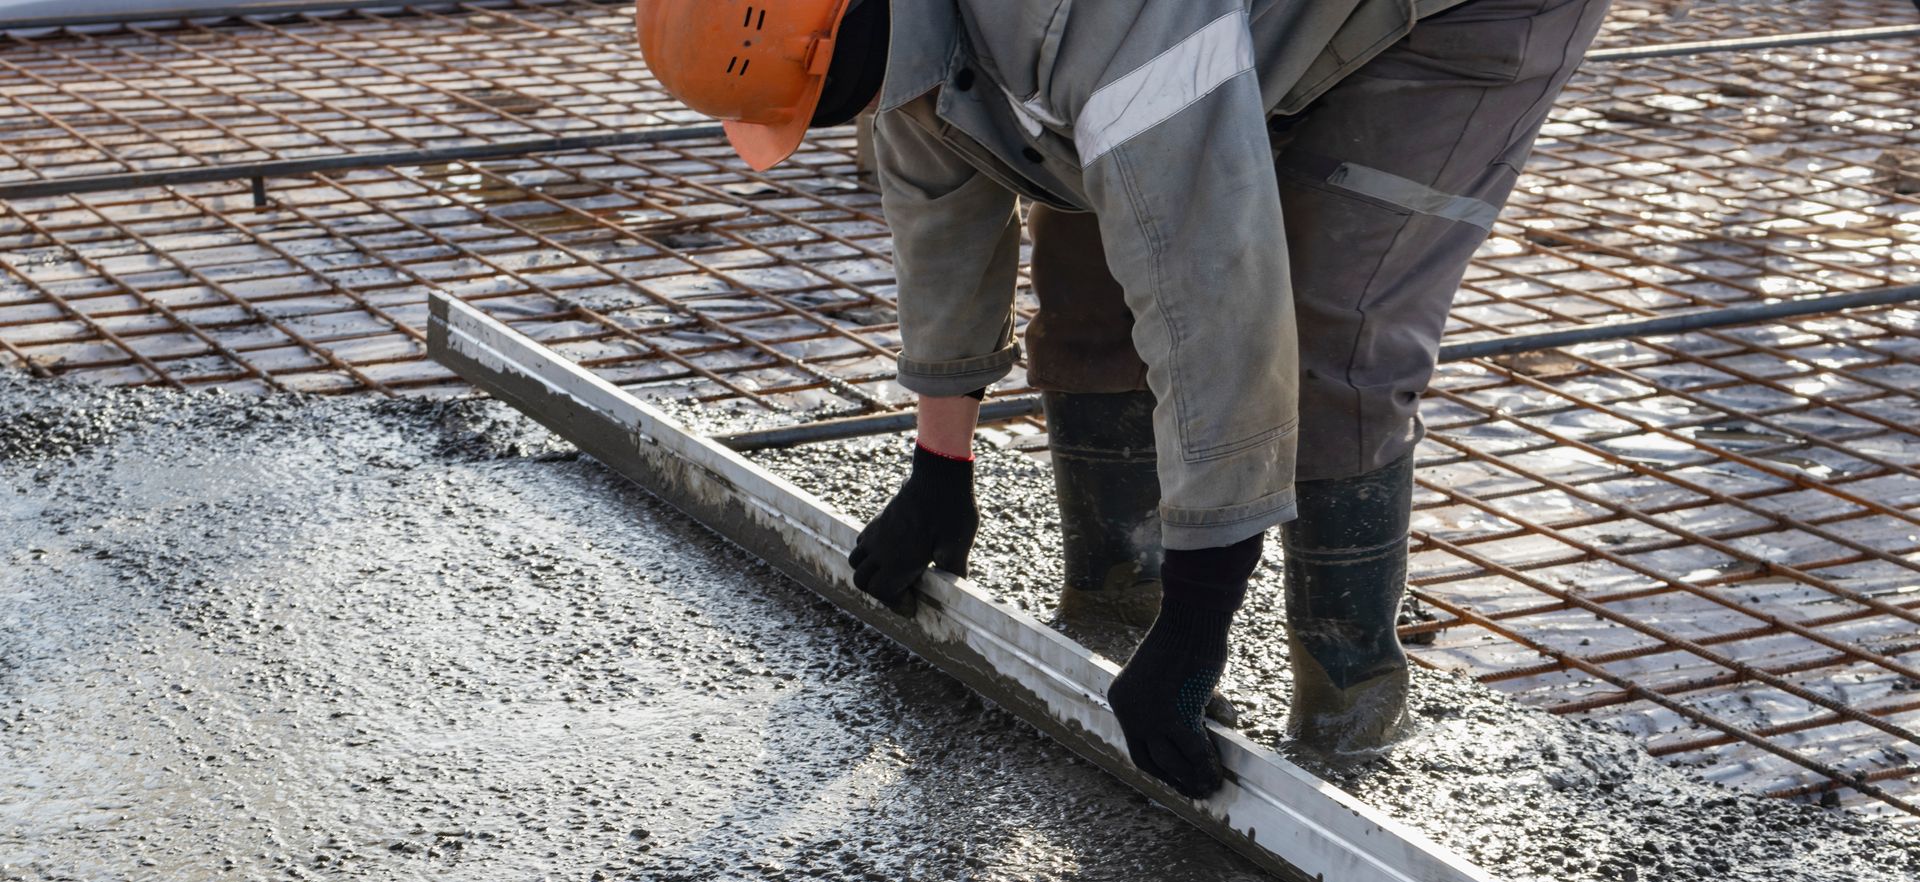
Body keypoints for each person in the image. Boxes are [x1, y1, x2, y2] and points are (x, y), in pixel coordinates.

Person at [635, 0, 1612, 797]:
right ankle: (1111, 608)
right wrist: (939, 463)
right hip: (1185, 30)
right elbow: (941, 201)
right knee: (1092, 252)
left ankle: (1349, 722)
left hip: (1452, 21)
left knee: (1331, 337)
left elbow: (1213, 297)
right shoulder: (896, 27)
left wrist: (1197, 621)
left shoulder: (1092, 26)